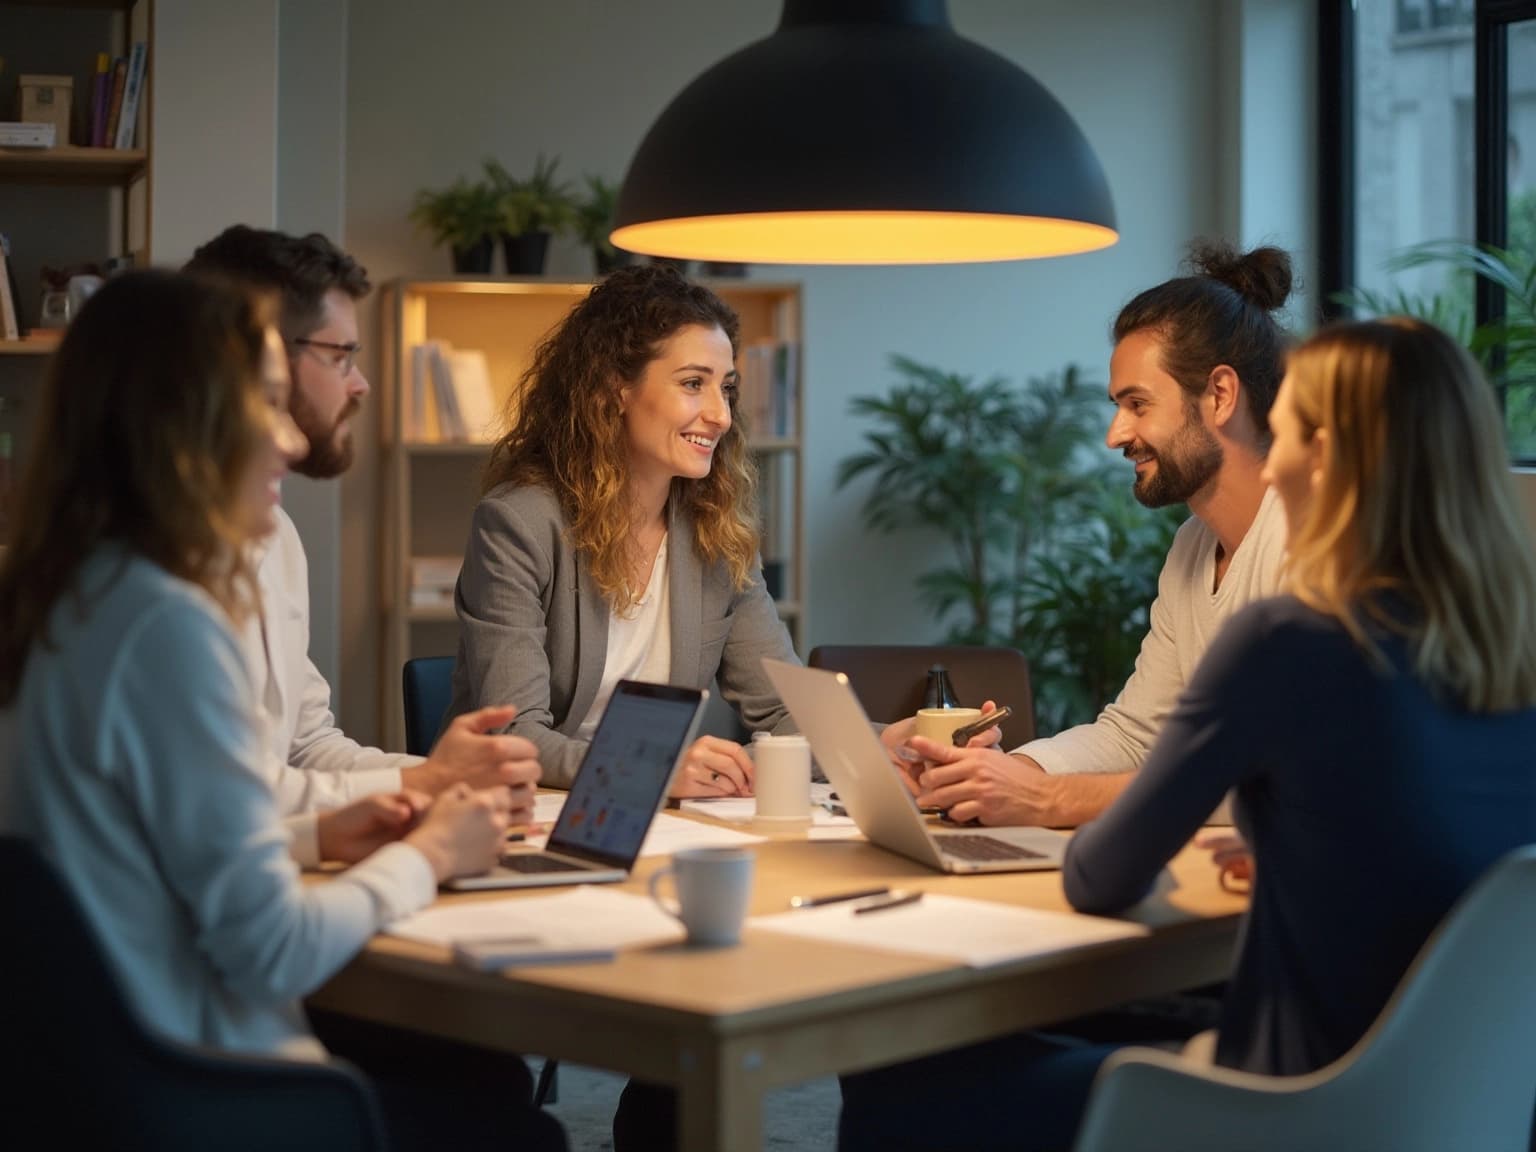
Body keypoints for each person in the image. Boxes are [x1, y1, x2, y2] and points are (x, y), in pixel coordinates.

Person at [0, 270, 563, 1151]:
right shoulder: (167, 625)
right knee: (513, 1129)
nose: (291, 442)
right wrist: (427, 854)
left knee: (482, 1080)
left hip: (78, 1084)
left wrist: (312, 839)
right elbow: (270, 949)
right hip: (205, 1093)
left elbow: (122, 849)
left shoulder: (61, 596)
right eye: (264, 402)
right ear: (179, 422)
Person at [1064, 315, 1536, 1074]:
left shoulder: (1286, 641)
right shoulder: (1511, 651)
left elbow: (1097, 878)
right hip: (1455, 1107)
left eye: (1279, 437)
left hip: (1286, 1110)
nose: (1270, 467)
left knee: (920, 1079)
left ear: (1324, 456)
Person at [186, 225, 536, 868]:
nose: (361, 384)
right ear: (251, 355)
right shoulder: (159, 576)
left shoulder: (280, 537)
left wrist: (447, 781)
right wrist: (420, 791)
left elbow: (305, 743)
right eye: (341, 355)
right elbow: (225, 804)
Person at [910, 240, 1293, 828]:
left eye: (1138, 404)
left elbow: (1276, 779)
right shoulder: (1192, 549)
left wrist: (1047, 801)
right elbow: (1138, 736)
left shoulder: (1313, 540)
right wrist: (1015, 774)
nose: (1116, 434)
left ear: (1220, 395)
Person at [448, 263, 801, 798]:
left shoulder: (716, 531)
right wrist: (650, 766)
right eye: (692, 384)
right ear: (615, 389)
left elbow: (782, 711)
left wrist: (892, 745)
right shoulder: (519, 524)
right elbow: (514, 734)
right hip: (528, 811)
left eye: (725, 389)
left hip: (655, 818)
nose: (721, 415)